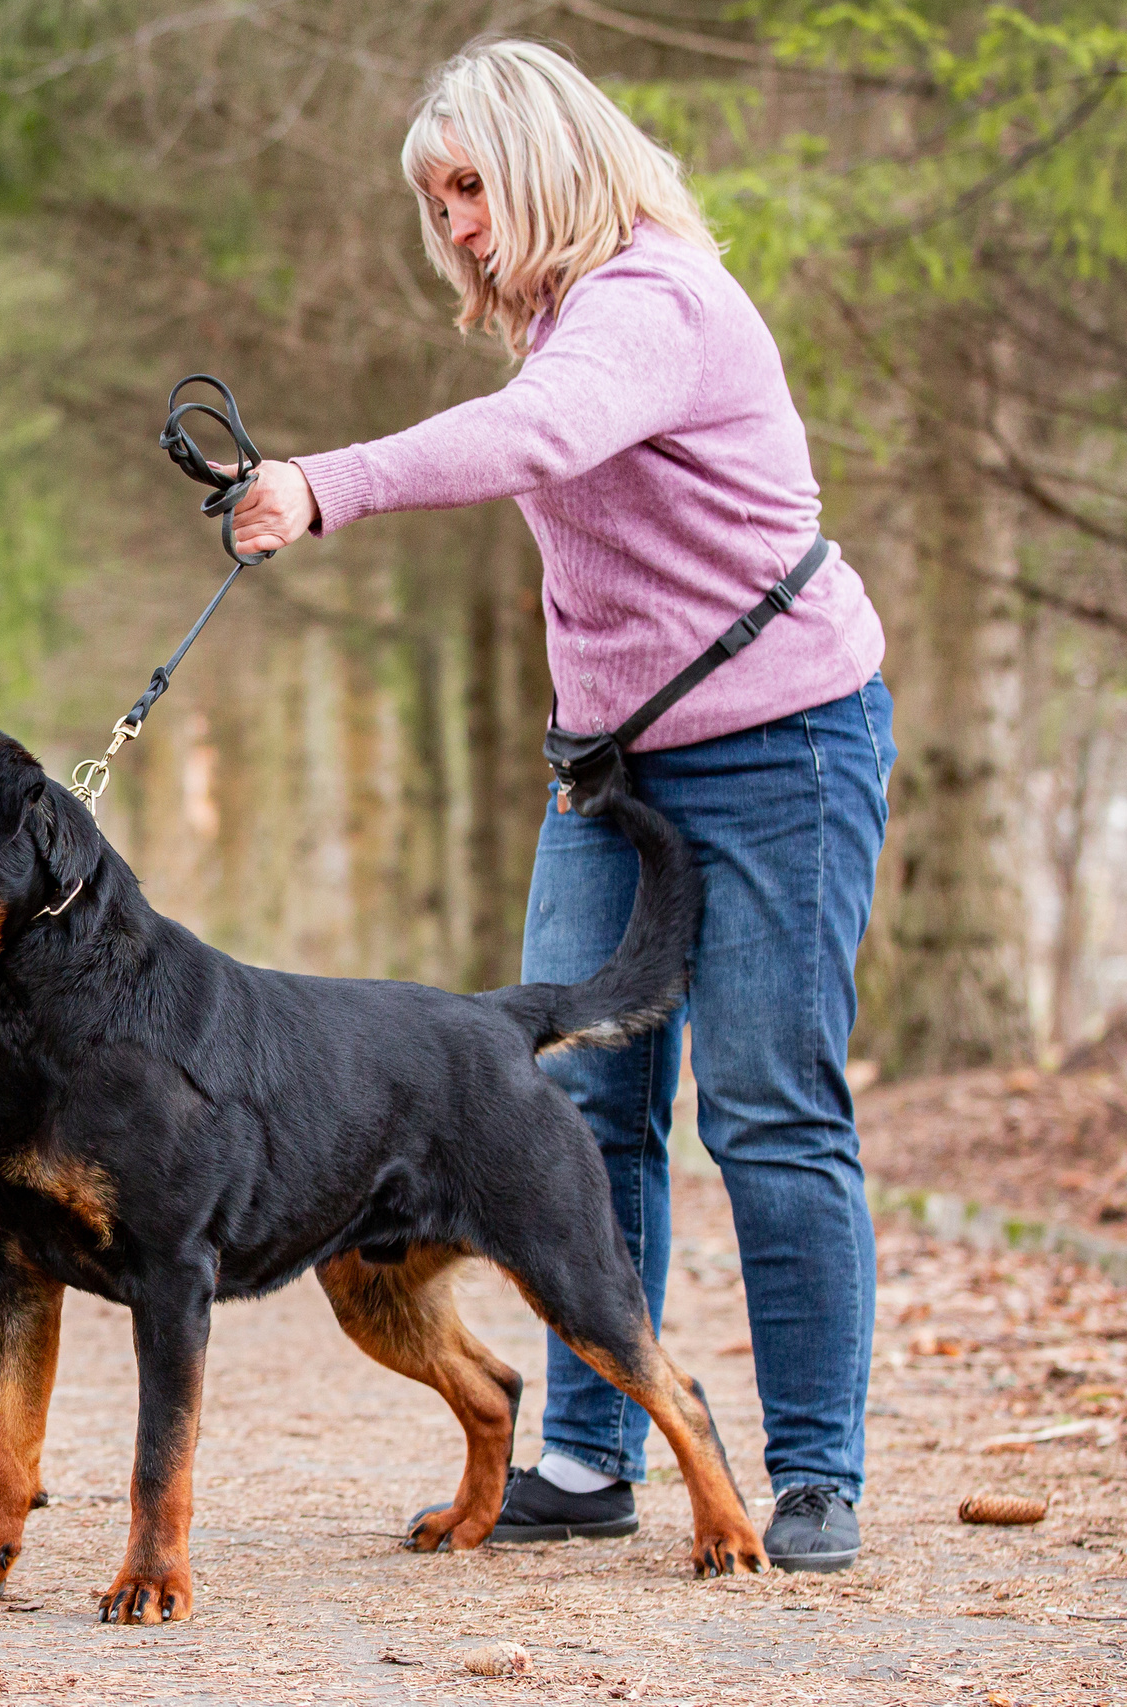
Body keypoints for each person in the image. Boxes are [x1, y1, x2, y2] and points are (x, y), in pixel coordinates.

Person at [231, 38, 891, 1573]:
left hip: (786, 740)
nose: (454, 224)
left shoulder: (653, 302)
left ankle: (812, 1475)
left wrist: (329, 483)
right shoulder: (560, 322)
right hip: (610, 764)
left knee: (770, 1104)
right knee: (581, 1105)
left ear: (545, 164)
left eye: (470, 187)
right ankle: (594, 1462)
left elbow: (536, 443)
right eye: (435, 199)